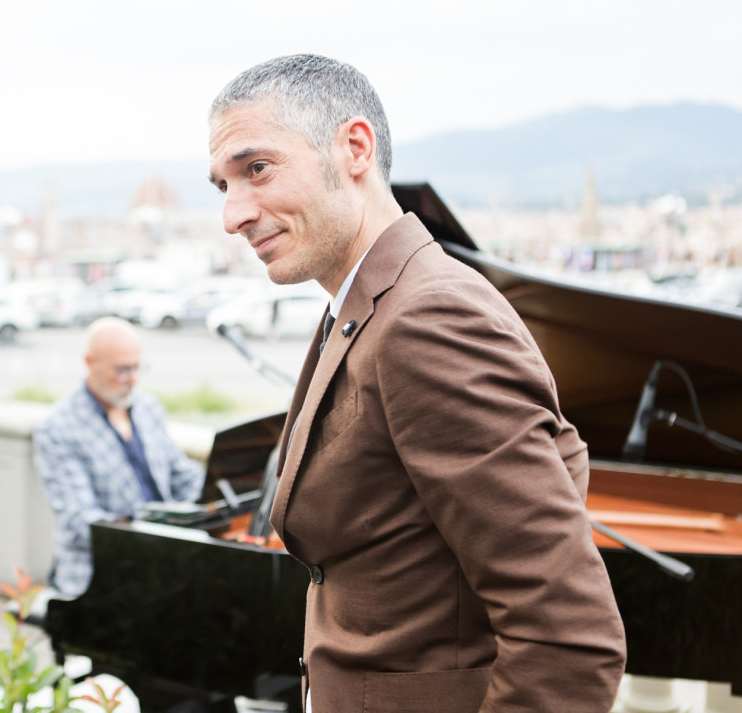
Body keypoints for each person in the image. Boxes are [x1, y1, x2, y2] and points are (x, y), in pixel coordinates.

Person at [208, 55, 626, 713]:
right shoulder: (368, 305)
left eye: (256, 169)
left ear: (355, 148)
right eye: (222, 186)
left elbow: (569, 636)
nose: (233, 215)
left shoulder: (429, 318)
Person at [33, 316, 205, 595]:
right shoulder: (58, 428)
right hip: (99, 574)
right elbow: (80, 522)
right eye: (122, 370)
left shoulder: (149, 407)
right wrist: (157, 536)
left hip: (165, 558)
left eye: (137, 368)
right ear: (90, 362)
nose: (133, 379)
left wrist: (221, 490)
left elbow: (181, 477)